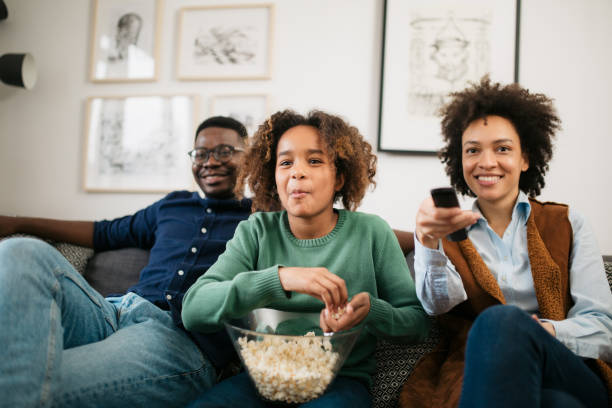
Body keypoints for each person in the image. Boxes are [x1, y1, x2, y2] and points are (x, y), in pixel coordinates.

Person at [181, 109, 431, 407]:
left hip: (341, 383)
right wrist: (280, 278)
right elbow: (194, 309)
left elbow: (417, 325)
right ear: (273, 177)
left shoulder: (371, 232)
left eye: (314, 161)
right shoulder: (255, 232)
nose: (297, 172)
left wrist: (370, 311)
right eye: (285, 162)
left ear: (339, 177)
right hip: (261, 380)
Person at [0, 116, 252, 407]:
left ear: (248, 156)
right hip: (114, 311)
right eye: (201, 153)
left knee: (39, 381)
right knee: (21, 251)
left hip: (178, 342)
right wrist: (16, 223)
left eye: (224, 151)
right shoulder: (173, 205)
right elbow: (103, 232)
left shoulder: (261, 221)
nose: (210, 161)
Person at [400, 77, 612, 408]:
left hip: (568, 367)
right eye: (473, 150)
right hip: (487, 374)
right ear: (460, 161)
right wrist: (427, 242)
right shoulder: (447, 231)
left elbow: (603, 329)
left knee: (502, 321)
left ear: (525, 158)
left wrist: (540, 332)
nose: (486, 162)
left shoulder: (568, 223)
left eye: (502, 148)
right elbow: (436, 306)